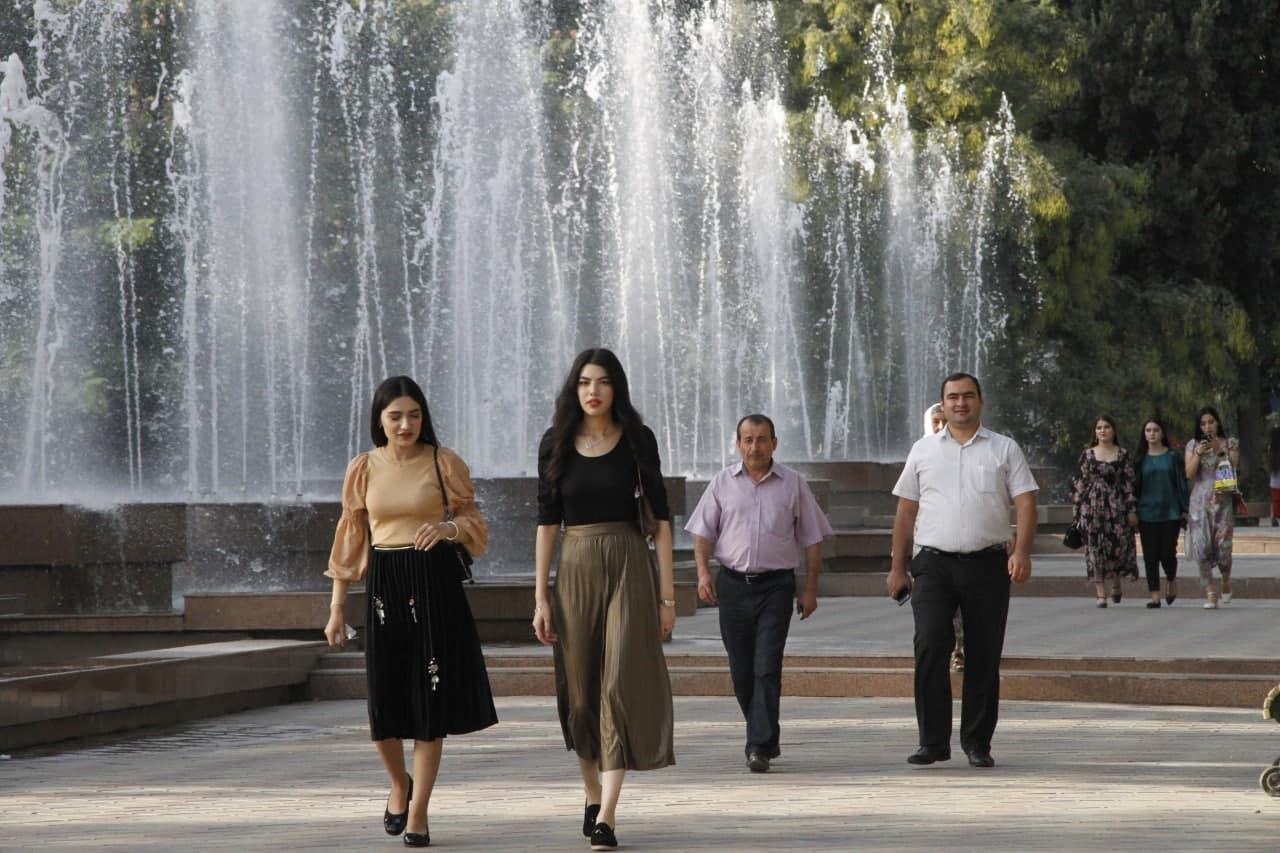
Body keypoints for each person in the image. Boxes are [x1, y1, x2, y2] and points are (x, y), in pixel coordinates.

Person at [323, 375, 497, 848]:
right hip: (385, 586)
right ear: (379, 420)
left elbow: (473, 522)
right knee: (383, 701)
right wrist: (337, 608)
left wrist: (446, 529)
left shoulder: (443, 462)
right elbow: (350, 538)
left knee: (428, 701)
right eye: (396, 416)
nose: (406, 424)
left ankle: (418, 814)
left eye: (414, 415)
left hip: (433, 585)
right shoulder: (363, 468)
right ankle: (400, 783)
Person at [532, 347, 675, 852]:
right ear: (574, 389)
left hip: (629, 564)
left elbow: (661, 521)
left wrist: (667, 599)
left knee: (617, 685)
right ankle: (592, 792)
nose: (593, 391)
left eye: (604, 382)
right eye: (585, 382)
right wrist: (540, 597)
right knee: (581, 696)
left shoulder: (638, 440)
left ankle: (608, 814)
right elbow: (547, 523)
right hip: (574, 567)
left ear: (618, 388)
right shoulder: (555, 442)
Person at [887, 372, 1037, 769]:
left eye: (968, 396)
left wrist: (1022, 551)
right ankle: (932, 741)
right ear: (943, 404)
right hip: (933, 564)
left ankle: (977, 742)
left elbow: (1025, 502)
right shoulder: (923, 450)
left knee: (984, 652)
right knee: (930, 643)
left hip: (987, 564)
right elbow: (905, 510)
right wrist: (897, 566)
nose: (960, 403)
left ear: (980, 401)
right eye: (952, 397)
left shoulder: (1004, 448)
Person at [685, 414, 833, 773]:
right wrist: (703, 573)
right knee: (741, 670)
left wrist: (810, 589)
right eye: (748, 440)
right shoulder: (722, 483)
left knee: (767, 666)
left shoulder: (793, 484)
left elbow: (813, 538)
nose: (755, 447)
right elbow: (703, 533)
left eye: (762, 439)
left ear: (774, 443)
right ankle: (765, 734)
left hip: (776, 587)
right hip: (733, 586)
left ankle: (758, 746)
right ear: (738, 444)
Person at [1070, 415, 1139, 607]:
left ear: (1113, 430)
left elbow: (1129, 483)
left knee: (1118, 545)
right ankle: (1101, 594)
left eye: (1106, 427)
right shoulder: (1087, 455)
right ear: (1095, 432)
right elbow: (1078, 483)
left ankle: (1116, 581)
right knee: (1094, 549)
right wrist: (1077, 511)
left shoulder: (1122, 454)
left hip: (1117, 508)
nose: (1102, 431)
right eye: (1099, 427)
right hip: (1092, 508)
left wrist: (1131, 509)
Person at [922, 403, 965, 672]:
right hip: (929, 548)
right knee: (935, 610)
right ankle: (945, 651)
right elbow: (909, 505)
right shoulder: (920, 454)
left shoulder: (966, 451)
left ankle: (960, 650)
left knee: (961, 607)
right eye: (935, 421)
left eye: (944, 420)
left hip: (964, 545)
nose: (940, 426)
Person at [1184, 406, 1239, 608]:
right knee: (1201, 548)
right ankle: (1210, 592)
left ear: (1217, 422)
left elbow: (1233, 468)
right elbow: (1189, 474)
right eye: (1203, 423)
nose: (1207, 427)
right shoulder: (1193, 445)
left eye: (1211, 422)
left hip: (1223, 502)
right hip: (1199, 503)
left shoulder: (1230, 443)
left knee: (1224, 549)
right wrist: (1198, 454)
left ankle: (1226, 578)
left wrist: (1220, 450)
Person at [1132, 418, 1189, 607]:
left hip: (1170, 512)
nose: (1152, 433)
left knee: (1167, 554)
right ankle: (1154, 596)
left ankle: (1171, 579)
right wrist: (1132, 510)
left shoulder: (1173, 457)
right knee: (1150, 556)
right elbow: (1134, 487)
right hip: (1146, 513)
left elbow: (1181, 484)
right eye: (1148, 430)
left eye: (1156, 430)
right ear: (1144, 434)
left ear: (1162, 433)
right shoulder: (1140, 459)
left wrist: (1184, 509)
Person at [1268, 427, 1280, 527]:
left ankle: (1274, 518)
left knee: (1275, 500)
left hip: (1275, 482)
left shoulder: (1271, 451)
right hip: (1275, 480)